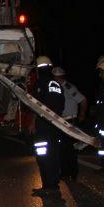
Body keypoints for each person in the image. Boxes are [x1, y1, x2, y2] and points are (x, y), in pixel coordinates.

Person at [31, 56, 65, 198]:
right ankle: (53, 185)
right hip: (55, 126)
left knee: (43, 157)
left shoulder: (41, 83)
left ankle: (48, 187)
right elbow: (60, 105)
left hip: (43, 127)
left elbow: (36, 106)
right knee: (53, 155)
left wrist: (33, 122)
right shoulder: (56, 84)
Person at [52, 66, 88, 181]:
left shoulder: (68, 88)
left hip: (69, 121)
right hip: (61, 121)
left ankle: (71, 173)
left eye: (56, 77)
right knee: (62, 149)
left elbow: (83, 101)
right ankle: (65, 172)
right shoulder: (56, 88)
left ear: (60, 77)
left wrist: (82, 115)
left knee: (69, 149)